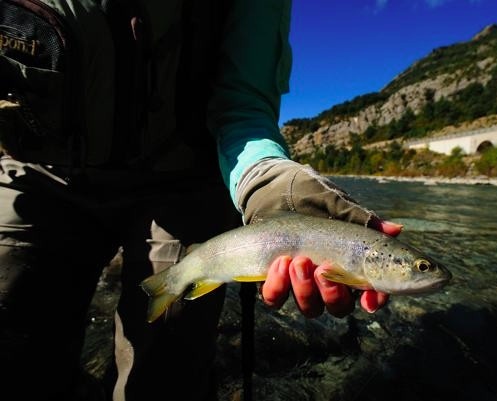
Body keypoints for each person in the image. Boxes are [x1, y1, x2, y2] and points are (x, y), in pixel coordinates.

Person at [0, 1, 401, 400]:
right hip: (34, 169)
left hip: (183, 182)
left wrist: (270, 182)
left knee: (165, 373)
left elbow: (242, 107)